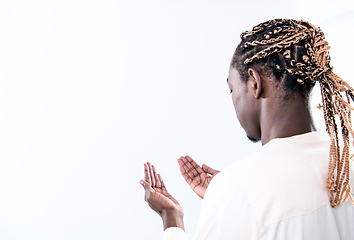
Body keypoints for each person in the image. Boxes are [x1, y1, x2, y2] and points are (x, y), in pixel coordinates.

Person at [139, 19, 354, 239]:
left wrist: (171, 216)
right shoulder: (347, 162)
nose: (233, 100)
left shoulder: (240, 187)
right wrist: (231, 197)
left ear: (254, 82)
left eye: (232, 89)